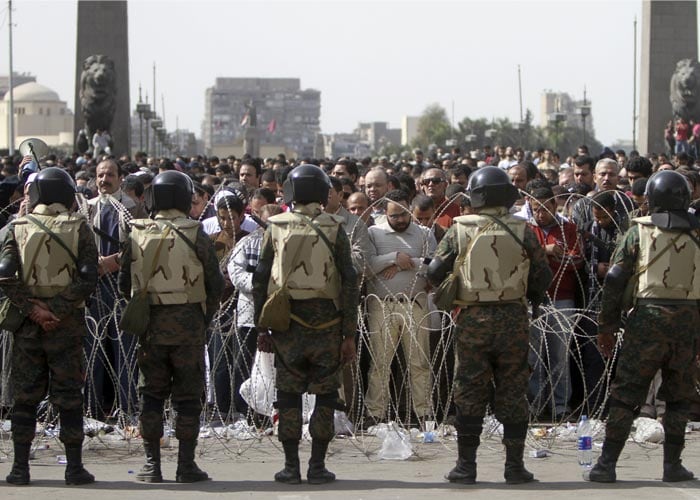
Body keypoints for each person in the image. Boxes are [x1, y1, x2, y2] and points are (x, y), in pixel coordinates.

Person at [427, 166, 551, 485]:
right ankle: (514, 467)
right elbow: (541, 275)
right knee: (513, 390)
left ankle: (466, 466)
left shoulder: (459, 229)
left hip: (472, 319)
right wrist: (532, 297)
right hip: (513, 318)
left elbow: (435, 270)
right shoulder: (522, 230)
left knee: (468, 391)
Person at [585, 170, 699, 483]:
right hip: (688, 322)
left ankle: (607, 464)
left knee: (626, 394)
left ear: (651, 199)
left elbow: (615, 278)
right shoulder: (697, 234)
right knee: (678, 397)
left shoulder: (639, 232)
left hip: (647, 320)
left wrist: (606, 325)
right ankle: (672, 465)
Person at [253, 164, 359, 484]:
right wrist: (349, 333)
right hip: (327, 324)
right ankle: (317, 465)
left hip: (286, 323)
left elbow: (261, 278)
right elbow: (349, 280)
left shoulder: (276, 226)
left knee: (287, 396)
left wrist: (262, 327)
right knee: (325, 396)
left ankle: (290, 466)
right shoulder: (334, 227)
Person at [118, 170, 224, 483]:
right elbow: (214, 283)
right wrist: (204, 317)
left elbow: (125, 283)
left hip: (150, 327)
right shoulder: (196, 233)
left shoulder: (137, 232)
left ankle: (152, 465)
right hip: (189, 325)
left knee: (150, 395)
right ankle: (186, 465)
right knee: (188, 397)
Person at [2, 168, 98, 485]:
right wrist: (56, 309)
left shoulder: (15, 229)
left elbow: (4, 275)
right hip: (66, 326)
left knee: (24, 399)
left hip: (28, 327)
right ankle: (73, 468)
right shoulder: (80, 228)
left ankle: (19, 468)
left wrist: (32, 309)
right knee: (69, 397)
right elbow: (87, 276)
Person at [364, 189, 436, 427]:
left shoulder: (424, 234)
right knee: (380, 363)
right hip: (382, 307)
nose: (401, 220)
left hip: (414, 305)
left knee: (419, 362)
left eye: (404, 214)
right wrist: (393, 257)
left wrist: (410, 263)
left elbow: (434, 265)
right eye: (395, 216)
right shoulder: (374, 233)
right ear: (385, 213)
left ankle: (424, 412)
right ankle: (376, 413)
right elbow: (367, 266)